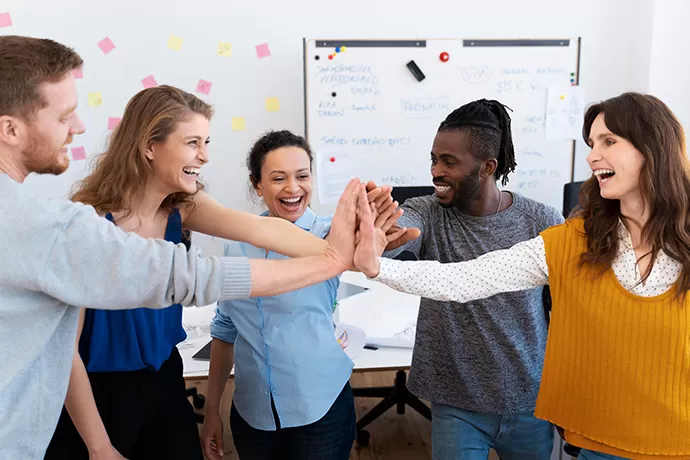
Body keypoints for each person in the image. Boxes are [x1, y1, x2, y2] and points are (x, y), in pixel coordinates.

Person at [0, 35, 375, 460]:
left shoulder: (184, 206)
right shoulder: (86, 225)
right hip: (101, 395)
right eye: (193, 143)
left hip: (164, 380)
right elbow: (65, 353)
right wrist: (99, 445)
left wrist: (346, 252)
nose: (205, 156)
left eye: (207, 143)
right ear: (149, 147)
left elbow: (263, 231)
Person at [355, 92, 690, 460]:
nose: (593, 155)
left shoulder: (541, 219)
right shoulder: (574, 242)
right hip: (595, 440)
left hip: (661, 438)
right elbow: (463, 279)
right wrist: (375, 260)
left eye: (608, 141)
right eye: (592, 143)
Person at [366, 99, 564, 459]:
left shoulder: (542, 221)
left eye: (449, 162)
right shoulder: (427, 211)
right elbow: (399, 235)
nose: (435, 171)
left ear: (487, 167)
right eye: (433, 159)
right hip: (455, 401)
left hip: (529, 401)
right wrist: (377, 234)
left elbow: (567, 311)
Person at [199, 130, 403, 460]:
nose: (293, 189)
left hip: (319, 408)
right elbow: (225, 330)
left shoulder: (328, 235)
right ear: (257, 185)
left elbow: (371, 252)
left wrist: (377, 240)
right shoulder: (236, 243)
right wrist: (211, 413)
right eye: (279, 178)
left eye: (302, 176)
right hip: (253, 413)